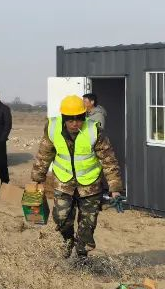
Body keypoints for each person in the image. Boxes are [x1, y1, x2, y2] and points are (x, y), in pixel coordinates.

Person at [31, 95, 123, 259]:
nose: (75, 123)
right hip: (63, 182)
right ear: (64, 118)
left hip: (90, 186)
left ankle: (81, 256)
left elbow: (109, 161)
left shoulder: (95, 131)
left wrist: (115, 188)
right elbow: (44, 154)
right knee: (61, 218)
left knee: (87, 226)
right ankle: (68, 241)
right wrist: (38, 178)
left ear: (84, 116)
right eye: (70, 119)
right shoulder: (52, 128)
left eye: (79, 119)